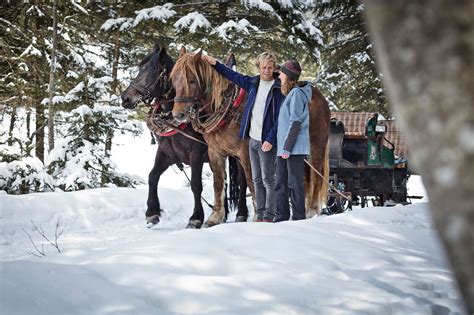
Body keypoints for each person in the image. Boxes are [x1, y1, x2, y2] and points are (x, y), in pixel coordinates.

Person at [201, 52, 284, 222]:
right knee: (256, 179)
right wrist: (214, 62)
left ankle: (270, 214)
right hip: (252, 139)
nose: (266, 71)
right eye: (263, 67)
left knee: (268, 179)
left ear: (274, 68)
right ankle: (259, 213)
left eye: (269, 67)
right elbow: (232, 74)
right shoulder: (252, 83)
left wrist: (270, 139)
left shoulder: (279, 88)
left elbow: (280, 118)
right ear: (259, 68)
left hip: (266, 141)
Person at [274, 60, 311, 222]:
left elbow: (295, 122)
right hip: (284, 148)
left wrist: (287, 148)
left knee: (294, 184)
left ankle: (298, 218)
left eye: (281, 72)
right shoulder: (290, 94)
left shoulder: (296, 94)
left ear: (288, 76)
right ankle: (281, 216)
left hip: (293, 149)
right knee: (280, 183)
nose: (279, 75)